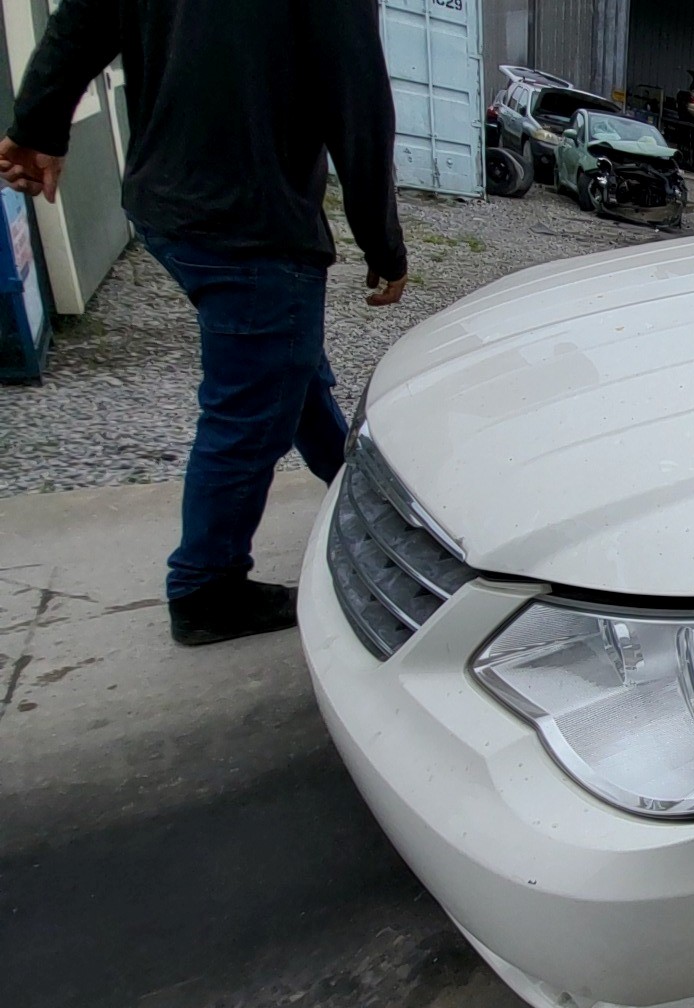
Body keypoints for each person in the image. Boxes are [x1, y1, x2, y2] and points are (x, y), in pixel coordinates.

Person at [0, 0, 408, 646]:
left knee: (284, 367)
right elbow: (356, 95)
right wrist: (382, 244)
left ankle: (361, 493)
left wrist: (39, 123)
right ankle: (205, 586)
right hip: (251, 214)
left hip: (168, 195)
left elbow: (84, 15)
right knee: (250, 409)